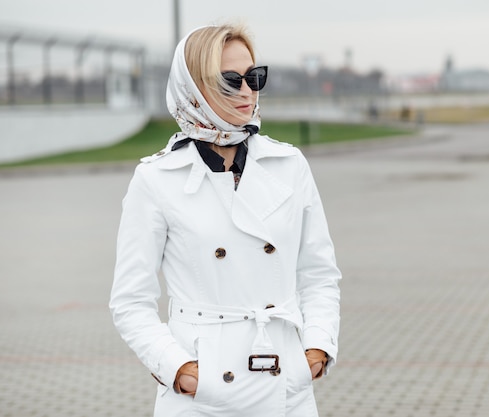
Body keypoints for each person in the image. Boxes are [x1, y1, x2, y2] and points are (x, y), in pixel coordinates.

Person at [109, 23, 341, 417]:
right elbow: (130, 301)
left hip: (286, 386)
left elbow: (319, 274)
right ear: (195, 87)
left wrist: (315, 351)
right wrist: (177, 369)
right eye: (231, 80)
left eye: (255, 77)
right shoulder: (156, 179)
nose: (248, 91)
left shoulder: (289, 165)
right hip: (203, 396)